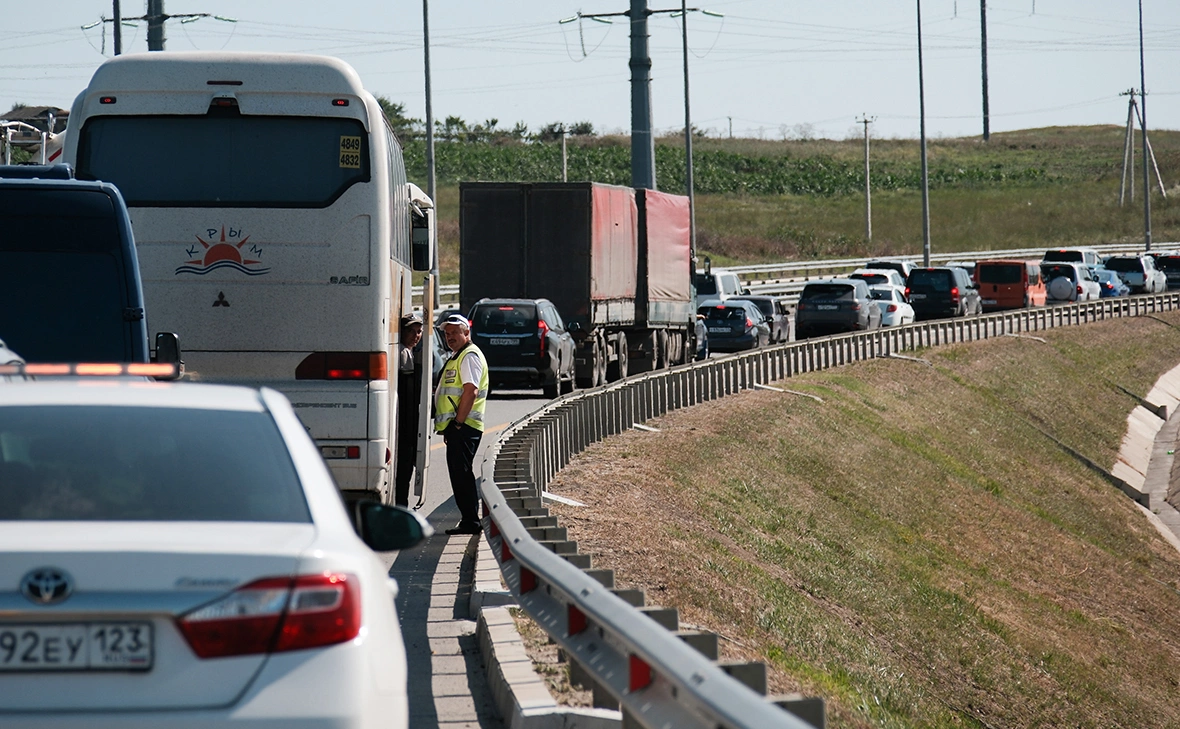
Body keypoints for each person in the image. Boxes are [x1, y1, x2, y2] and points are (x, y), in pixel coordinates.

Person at [434, 313, 488, 535]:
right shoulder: (459, 355)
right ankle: (469, 519)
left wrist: (457, 423)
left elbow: (470, 391)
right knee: (459, 474)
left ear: (467, 333)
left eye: (455, 332)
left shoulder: (469, 356)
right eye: (447, 334)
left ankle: (470, 521)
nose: (450, 337)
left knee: (462, 474)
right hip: (459, 427)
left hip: (465, 427)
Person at [394, 313, 424, 507]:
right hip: (405, 425)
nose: (416, 335)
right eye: (411, 331)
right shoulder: (403, 353)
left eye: (419, 331)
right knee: (403, 470)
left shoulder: (409, 352)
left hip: (410, 425)